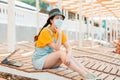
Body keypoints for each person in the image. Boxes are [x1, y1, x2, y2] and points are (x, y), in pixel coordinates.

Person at [32, 8, 96, 79]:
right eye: (57, 18)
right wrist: (59, 34)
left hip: (50, 60)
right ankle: (83, 74)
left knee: (68, 54)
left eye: (61, 18)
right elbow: (57, 48)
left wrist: (68, 55)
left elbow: (69, 47)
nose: (59, 20)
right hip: (39, 62)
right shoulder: (45, 32)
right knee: (60, 52)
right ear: (51, 20)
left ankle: (88, 72)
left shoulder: (61, 32)